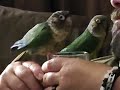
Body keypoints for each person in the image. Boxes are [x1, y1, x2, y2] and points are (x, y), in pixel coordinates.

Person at [0, 0, 120, 90]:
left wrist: (110, 81)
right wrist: (16, 81)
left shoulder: (96, 72)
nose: (114, 1)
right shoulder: (94, 67)